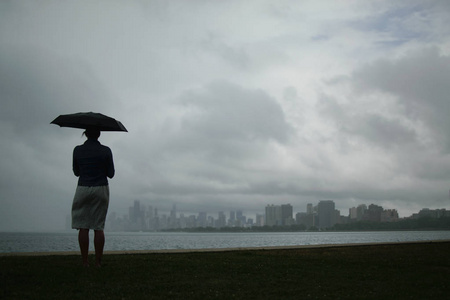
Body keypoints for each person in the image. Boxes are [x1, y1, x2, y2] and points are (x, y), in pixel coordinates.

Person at [71, 128, 115, 267]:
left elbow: (76, 172)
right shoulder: (106, 150)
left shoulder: (77, 150)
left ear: (86, 134)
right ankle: (98, 262)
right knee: (98, 227)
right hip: (101, 188)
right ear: (99, 134)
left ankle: (85, 262)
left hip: (83, 187)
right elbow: (111, 173)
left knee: (83, 227)